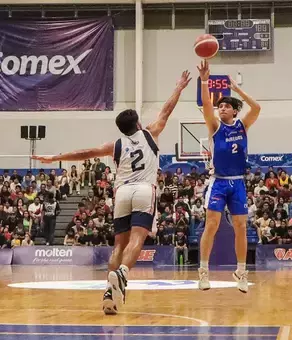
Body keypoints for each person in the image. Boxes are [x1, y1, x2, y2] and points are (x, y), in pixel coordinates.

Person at [32, 70, 191, 314]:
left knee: (118, 245)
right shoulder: (150, 132)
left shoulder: (114, 145)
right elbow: (166, 110)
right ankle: (123, 274)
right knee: (137, 240)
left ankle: (110, 295)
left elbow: (85, 153)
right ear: (137, 124)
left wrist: (54, 157)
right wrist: (179, 87)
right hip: (144, 191)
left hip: (122, 193)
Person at [197, 60, 261, 293]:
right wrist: (205, 80)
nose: (221, 108)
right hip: (219, 182)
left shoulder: (242, 126)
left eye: (226, 106)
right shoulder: (215, 127)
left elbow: (256, 108)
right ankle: (203, 272)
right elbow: (206, 104)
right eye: (220, 106)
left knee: (241, 227)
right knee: (211, 225)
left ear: (234, 111)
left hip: (239, 182)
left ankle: (241, 272)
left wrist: (238, 91)